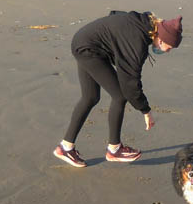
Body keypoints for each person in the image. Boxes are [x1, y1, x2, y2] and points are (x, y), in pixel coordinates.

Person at [53, 11, 182, 167]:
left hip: (84, 41)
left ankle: (65, 147)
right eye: (170, 47)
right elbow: (130, 82)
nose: (168, 51)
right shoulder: (137, 42)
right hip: (88, 49)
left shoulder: (144, 23)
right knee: (120, 96)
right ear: (161, 39)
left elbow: (114, 15)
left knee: (90, 97)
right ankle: (114, 149)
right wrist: (145, 110)